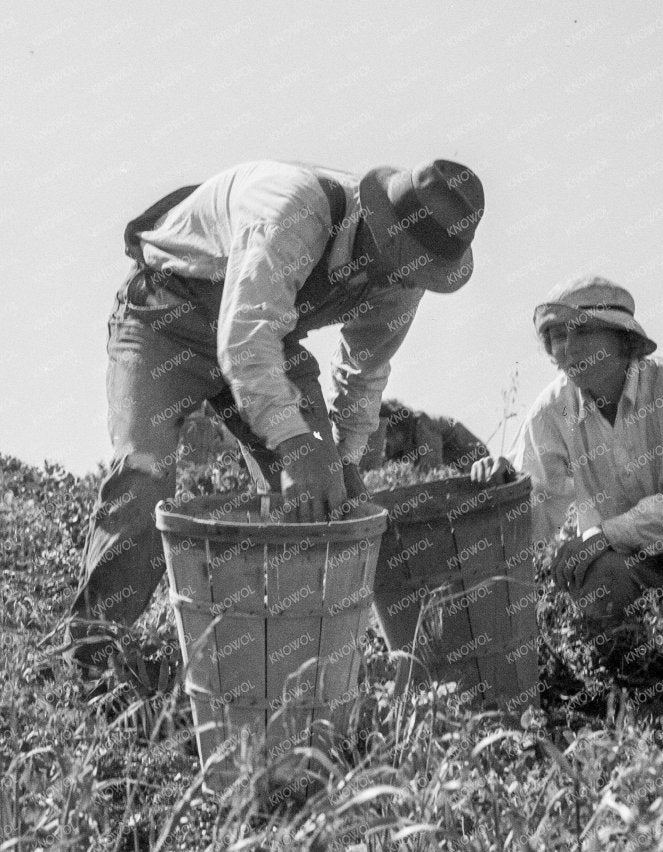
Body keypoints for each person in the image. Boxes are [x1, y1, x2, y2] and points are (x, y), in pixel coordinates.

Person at [69, 159, 485, 661]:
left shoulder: (405, 277)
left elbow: (364, 370)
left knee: (328, 504)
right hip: (166, 314)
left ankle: (286, 667)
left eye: (419, 268)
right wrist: (295, 443)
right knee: (145, 474)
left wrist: (342, 460)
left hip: (268, 342)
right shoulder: (294, 210)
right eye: (403, 257)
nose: (404, 277)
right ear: (383, 224)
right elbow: (245, 340)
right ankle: (89, 656)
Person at [471, 275, 663, 688]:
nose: (566, 348)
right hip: (635, 573)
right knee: (600, 571)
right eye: (555, 336)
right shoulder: (551, 410)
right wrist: (503, 490)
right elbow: (537, 513)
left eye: (580, 332)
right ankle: (643, 693)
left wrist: (608, 532)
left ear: (623, 341)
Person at [377, 398, 490, 473]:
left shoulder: (422, 424)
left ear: (396, 428)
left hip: (476, 462)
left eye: (388, 434)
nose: (387, 441)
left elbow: (432, 466)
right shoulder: (393, 443)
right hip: (456, 468)